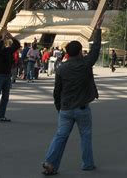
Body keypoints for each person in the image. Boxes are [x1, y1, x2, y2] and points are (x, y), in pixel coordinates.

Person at [42, 23, 102, 175]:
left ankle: (50, 163)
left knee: (60, 136)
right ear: (81, 52)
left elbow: (57, 91)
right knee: (85, 137)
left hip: (66, 108)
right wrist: (98, 30)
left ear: (67, 53)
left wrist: (59, 107)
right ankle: (87, 163)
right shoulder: (85, 64)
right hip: (82, 108)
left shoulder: (61, 68)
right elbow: (95, 50)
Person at [0, 32, 20, 123]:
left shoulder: (7, 51)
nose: (3, 44)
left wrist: (12, 37)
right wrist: (2, 40)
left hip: (7, 75)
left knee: (5, 97)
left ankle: (1, 115)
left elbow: (17, 45)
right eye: (1, 42)